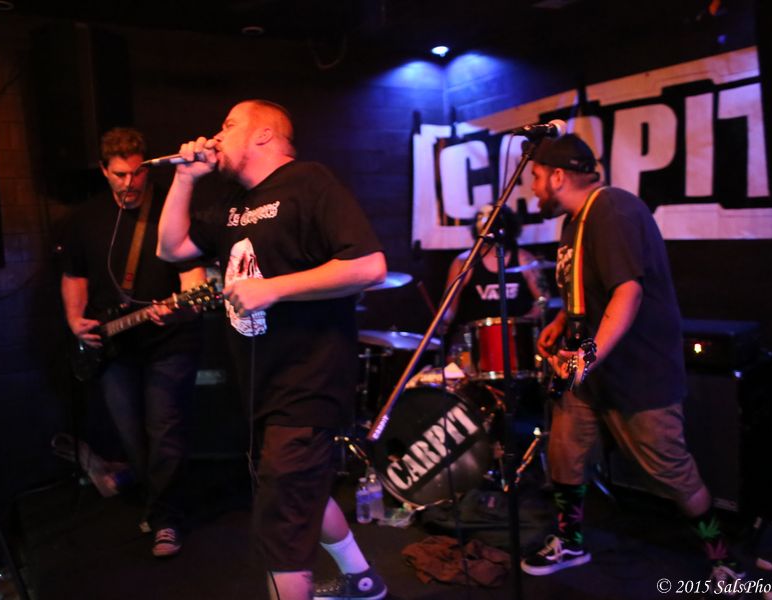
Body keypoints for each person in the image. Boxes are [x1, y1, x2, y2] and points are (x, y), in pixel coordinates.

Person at [157, 100, 388, 600]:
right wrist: (185, 178)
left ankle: (354, 581)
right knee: (304, 494)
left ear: (262, 134)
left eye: (228, 125)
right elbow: (171, 249)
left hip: (308, 383)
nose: (216, 135)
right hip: (262, 386)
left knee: (280, 531)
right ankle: (362, 579)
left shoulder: (309, 182)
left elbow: (370, 266)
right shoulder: (231, 203)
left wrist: (274, 289)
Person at [523, 133, 743, 584]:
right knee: (564, 452)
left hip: (637, 372)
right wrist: (563, 320)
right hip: (591, 372)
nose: (533, 187)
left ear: (558, 176)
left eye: (537, 177)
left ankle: (723, 560)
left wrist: (583, 358)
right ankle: (570, 541)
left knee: (671, 470)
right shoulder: (576, 220)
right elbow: (592, 289)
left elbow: (628, 293)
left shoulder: (613, 210)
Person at [60, 127, 206, 558]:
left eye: (138, 173)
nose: (130, 182)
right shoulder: (85, 219)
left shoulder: (170, 210)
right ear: (104, 171)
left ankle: (166, 520)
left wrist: (181, 306)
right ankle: (156, 501)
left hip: (170, 339)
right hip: (113, 344)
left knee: (166, 429)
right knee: (130, 433)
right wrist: (74, 320)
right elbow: (74, 276)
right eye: (120, 174)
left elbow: (195, 281)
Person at [440, 203, 548, 338]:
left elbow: (543, 299)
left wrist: (525, 321)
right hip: (478, 338)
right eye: (481, 218)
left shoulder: (524, 258)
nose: (485, 224)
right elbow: (449, 305)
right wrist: (444, 319)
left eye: (490, 219)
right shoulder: (464, 262)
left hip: (517, 336)